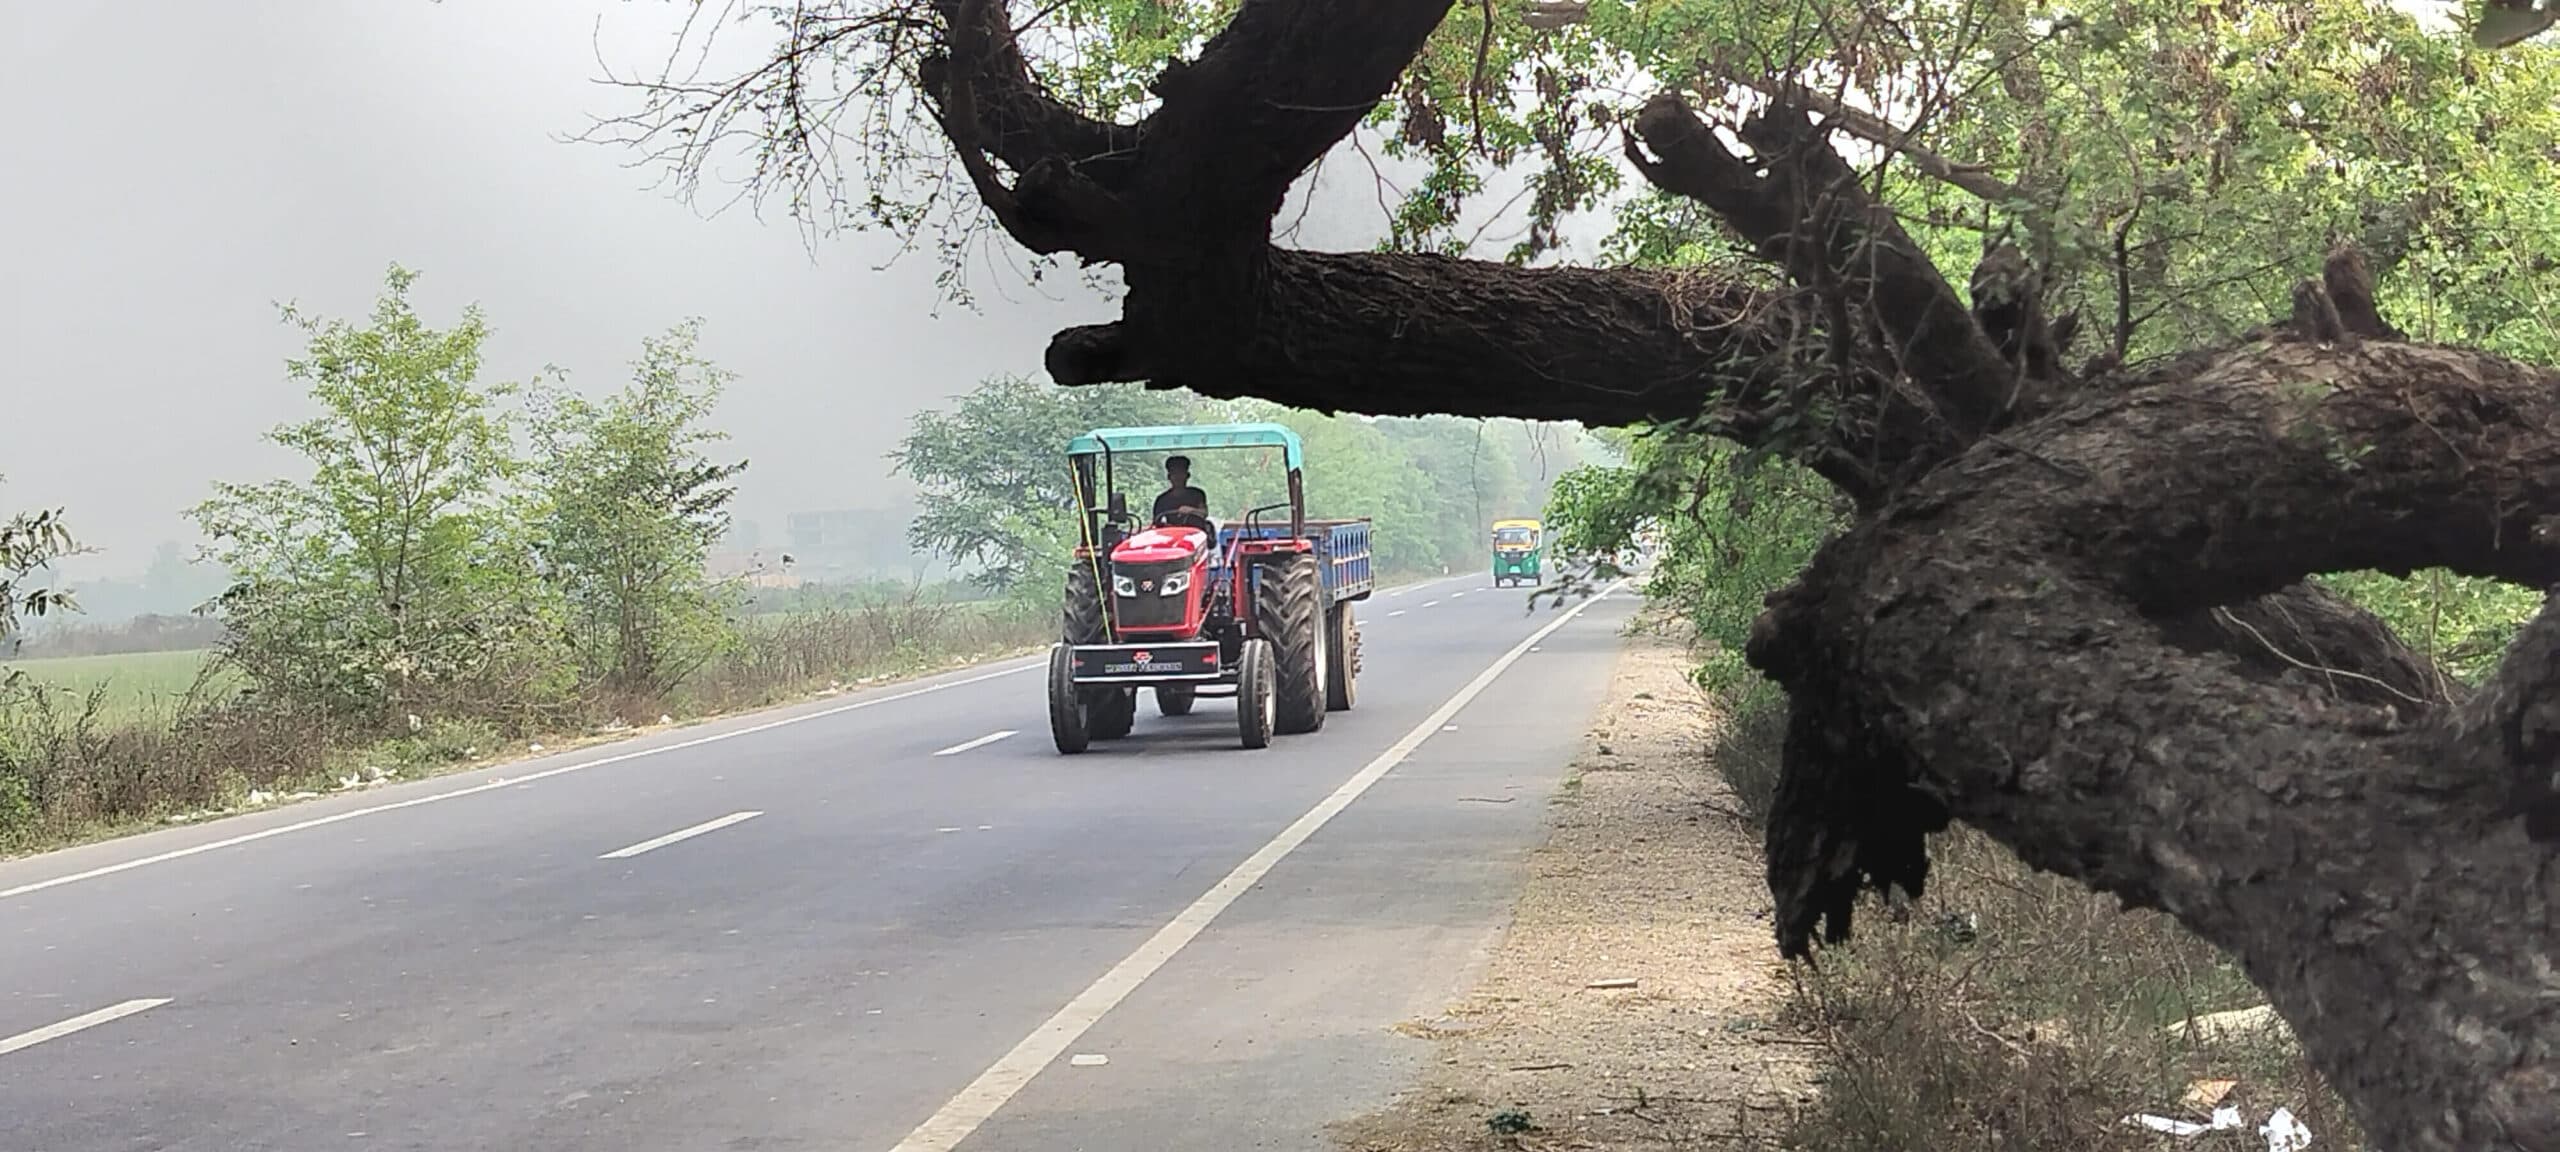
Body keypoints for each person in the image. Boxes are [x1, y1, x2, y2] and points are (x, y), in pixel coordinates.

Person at [1152, 455, 1208, 524]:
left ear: (1187, 475)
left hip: (1196, 532)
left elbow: (1204, 513)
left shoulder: (1197, 494)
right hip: (1171, 532)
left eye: (1181, 473)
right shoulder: (1161, 500)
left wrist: (1191, 510)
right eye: (1174, 473)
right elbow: (1156, 522)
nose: (1178, 477)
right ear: (1169, 477)